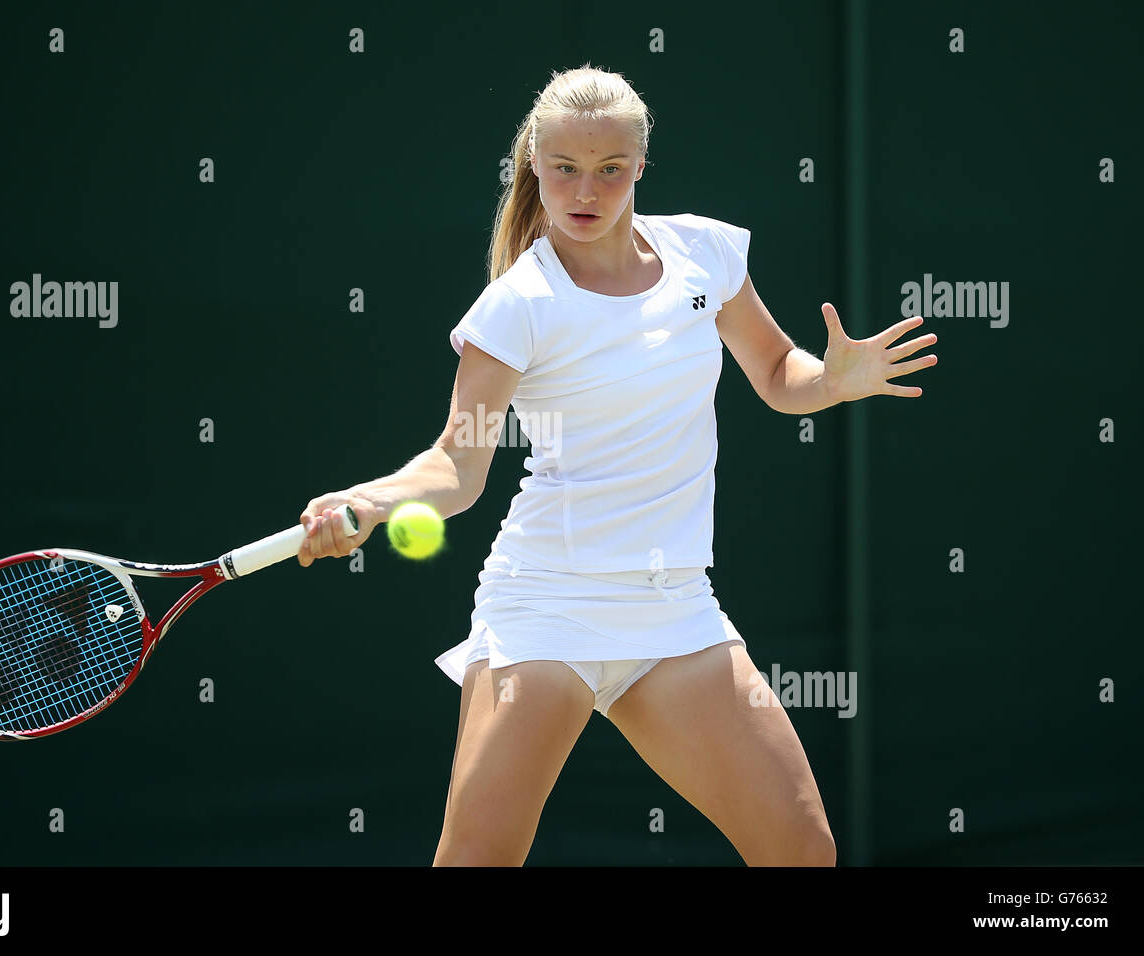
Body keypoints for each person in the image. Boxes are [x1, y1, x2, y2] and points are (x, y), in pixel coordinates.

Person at [294, 64, 938, 866]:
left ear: (640, 164)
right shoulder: (519, 305)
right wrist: (370, 500)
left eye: (609, 169)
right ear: (533, 164)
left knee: (803, 849)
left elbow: (779, 376)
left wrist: (832, 381)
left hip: (673, 610)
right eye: (564, 168)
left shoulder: (704, 254)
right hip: (546, 606)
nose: (584, 190)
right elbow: (457, 467)